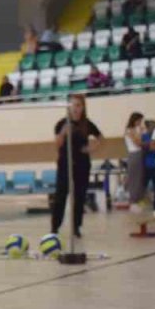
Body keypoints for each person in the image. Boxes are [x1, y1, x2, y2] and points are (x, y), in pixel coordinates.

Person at [51, 94, 102, 238]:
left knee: (79, 196)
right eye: (73, 105)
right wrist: (63, 133)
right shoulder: (62, 123)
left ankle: (76, 227)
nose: (76, 108)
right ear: (68, 107)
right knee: (61, 195)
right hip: (65, 163)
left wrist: (91, 148)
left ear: (83, 107)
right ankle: (55, 227)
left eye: (79, 105)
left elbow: (100, 138)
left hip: (82, 164)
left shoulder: (86, 123)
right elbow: (57, 145)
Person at [124, 112, 147, 211]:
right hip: (134, 154)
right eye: (139, 121)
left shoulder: (138, 130)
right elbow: (137, 142)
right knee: (134, 178)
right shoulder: (129, 130)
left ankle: (139, 199)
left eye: (141, 121)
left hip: (140, 154)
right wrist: (141, 134)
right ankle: (133, 200)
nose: (140, 123)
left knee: (140, 178)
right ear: (134, 120)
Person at [143, 119, 155, 196]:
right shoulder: (143, 136)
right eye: (153, 127)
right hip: (147, 164)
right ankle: (144, 199)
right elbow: (143, 149)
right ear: (148, 128)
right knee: (144, 184)